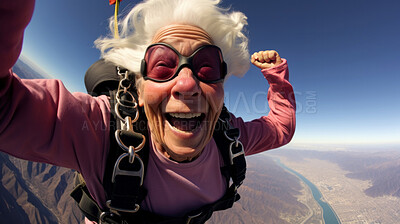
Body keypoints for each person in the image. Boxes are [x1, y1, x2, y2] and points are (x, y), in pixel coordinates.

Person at [0, 0, 296, 223]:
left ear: (220, 89)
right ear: (139, 89)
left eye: (206, 68)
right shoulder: (101, 131)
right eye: (162, 66)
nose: (187, 83)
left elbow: (280, 128)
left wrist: (276, 76)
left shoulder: (226, 136)